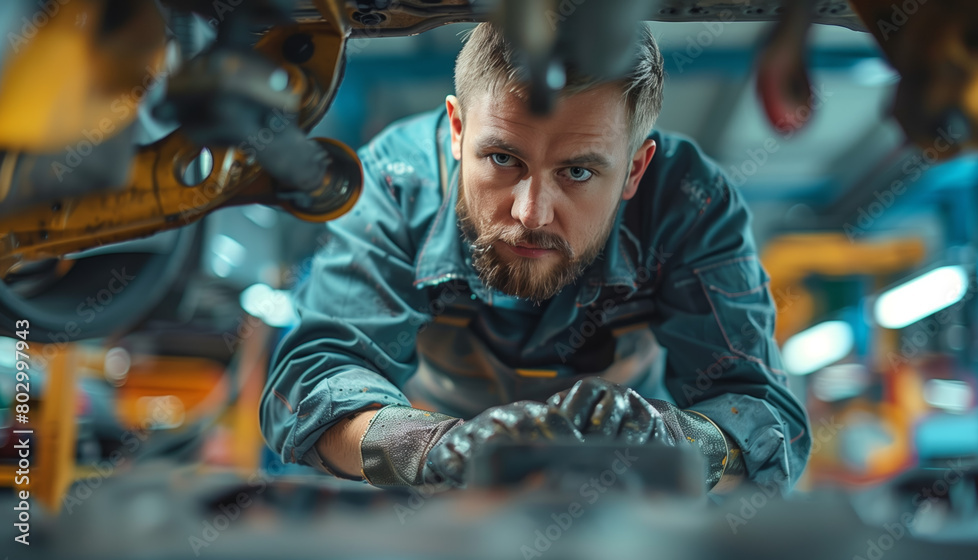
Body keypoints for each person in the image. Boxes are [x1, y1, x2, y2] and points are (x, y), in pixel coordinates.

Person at [259, 22, 811, 494]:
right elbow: (309, 385)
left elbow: (767, 419)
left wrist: (675, 440)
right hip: (427, 495)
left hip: (624, 493)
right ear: (457, 129)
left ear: (635, 171)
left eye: (577, 172)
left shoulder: (688, 203)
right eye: (503, 158)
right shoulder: (394, 187)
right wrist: (431, 449)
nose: (531, 213)